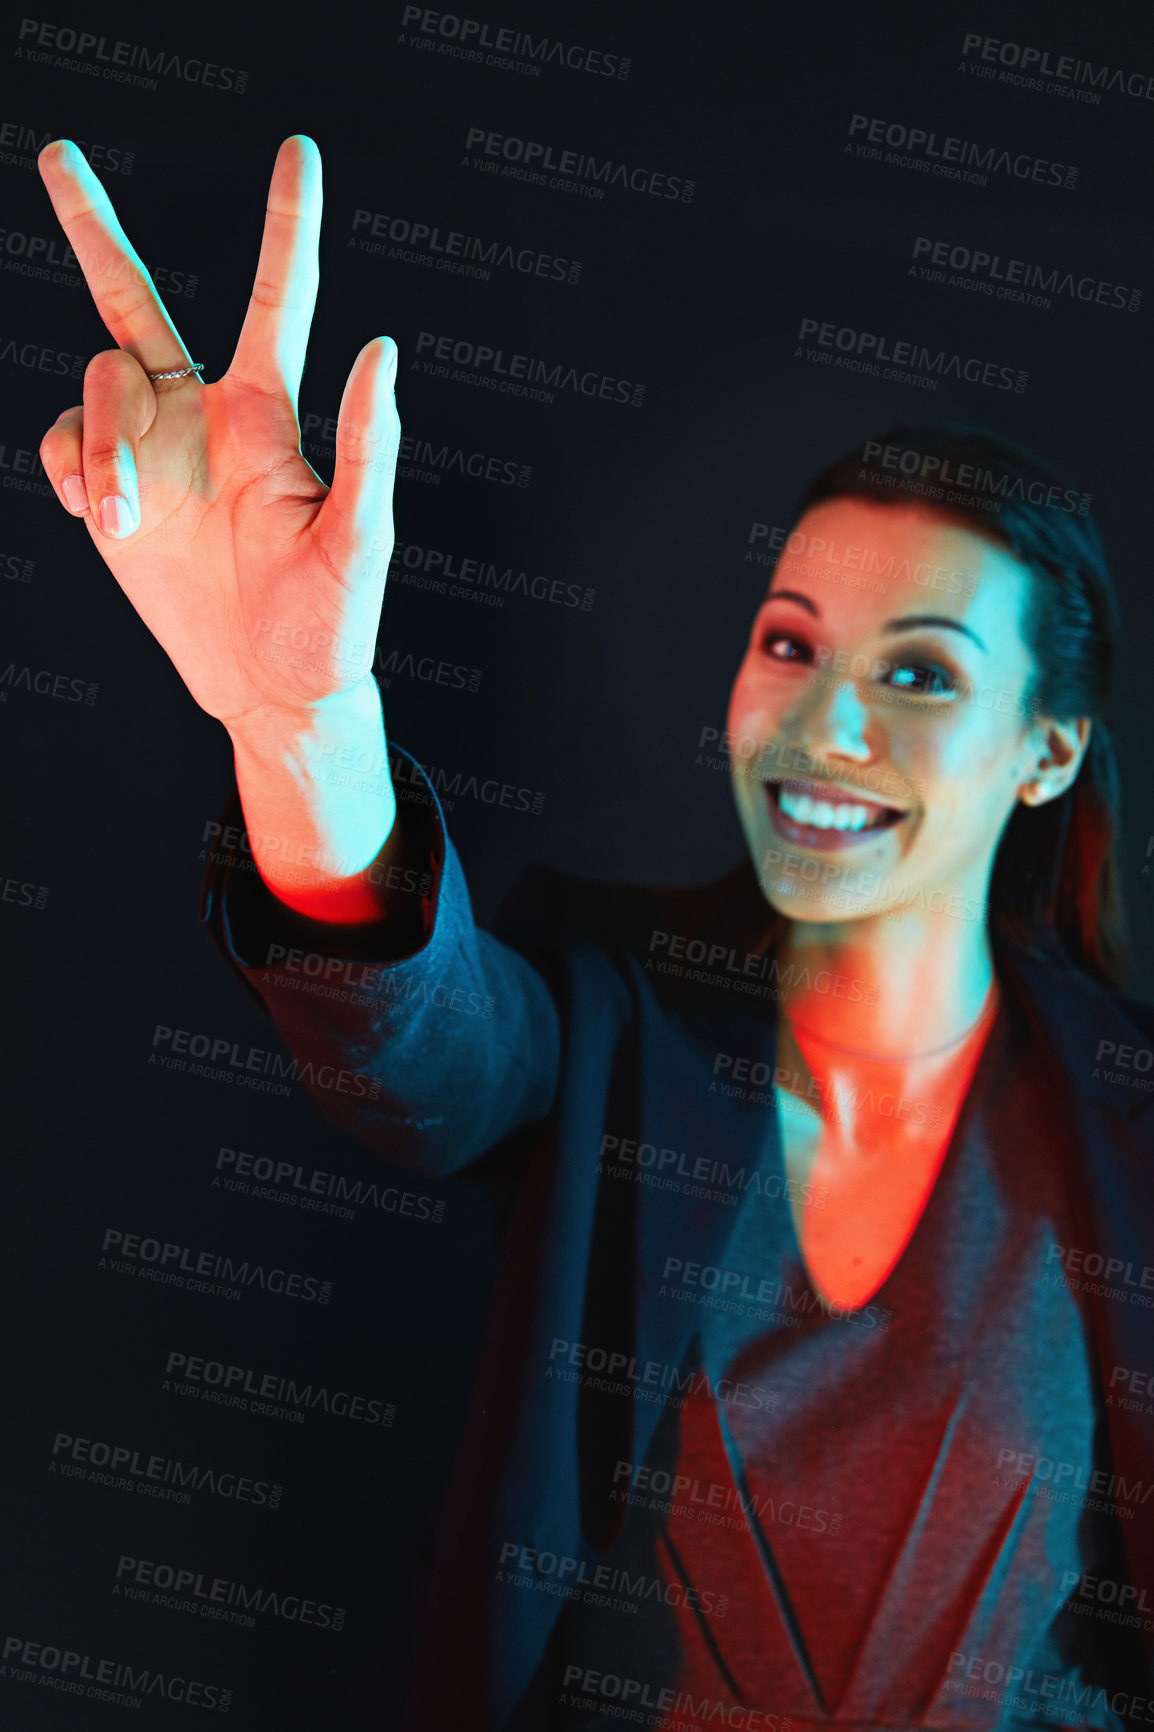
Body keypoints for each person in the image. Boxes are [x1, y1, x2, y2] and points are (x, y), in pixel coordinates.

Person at [36, 134, 1154, 1732]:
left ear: (1046, 748)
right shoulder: (611, 1024)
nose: (824, 724)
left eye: (918, 673)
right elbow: (414, 1050)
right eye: (789, 644)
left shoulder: (1126, 1121)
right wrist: (300, 731)